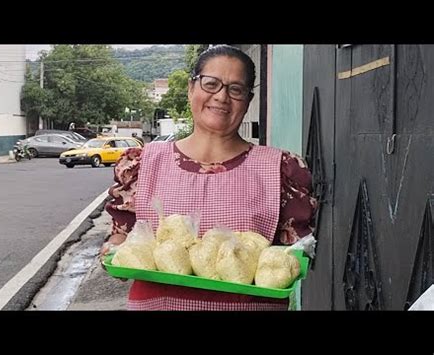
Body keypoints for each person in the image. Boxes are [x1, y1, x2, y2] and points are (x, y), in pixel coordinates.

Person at [101, 45, 317, 310]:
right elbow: (120, 242)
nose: (222, 96)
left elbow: (292, 256)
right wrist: (113, 256)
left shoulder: (279, 169)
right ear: (191, 88)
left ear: (248, 100)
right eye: (211, 83)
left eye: (235, 89)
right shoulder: (143, 164)